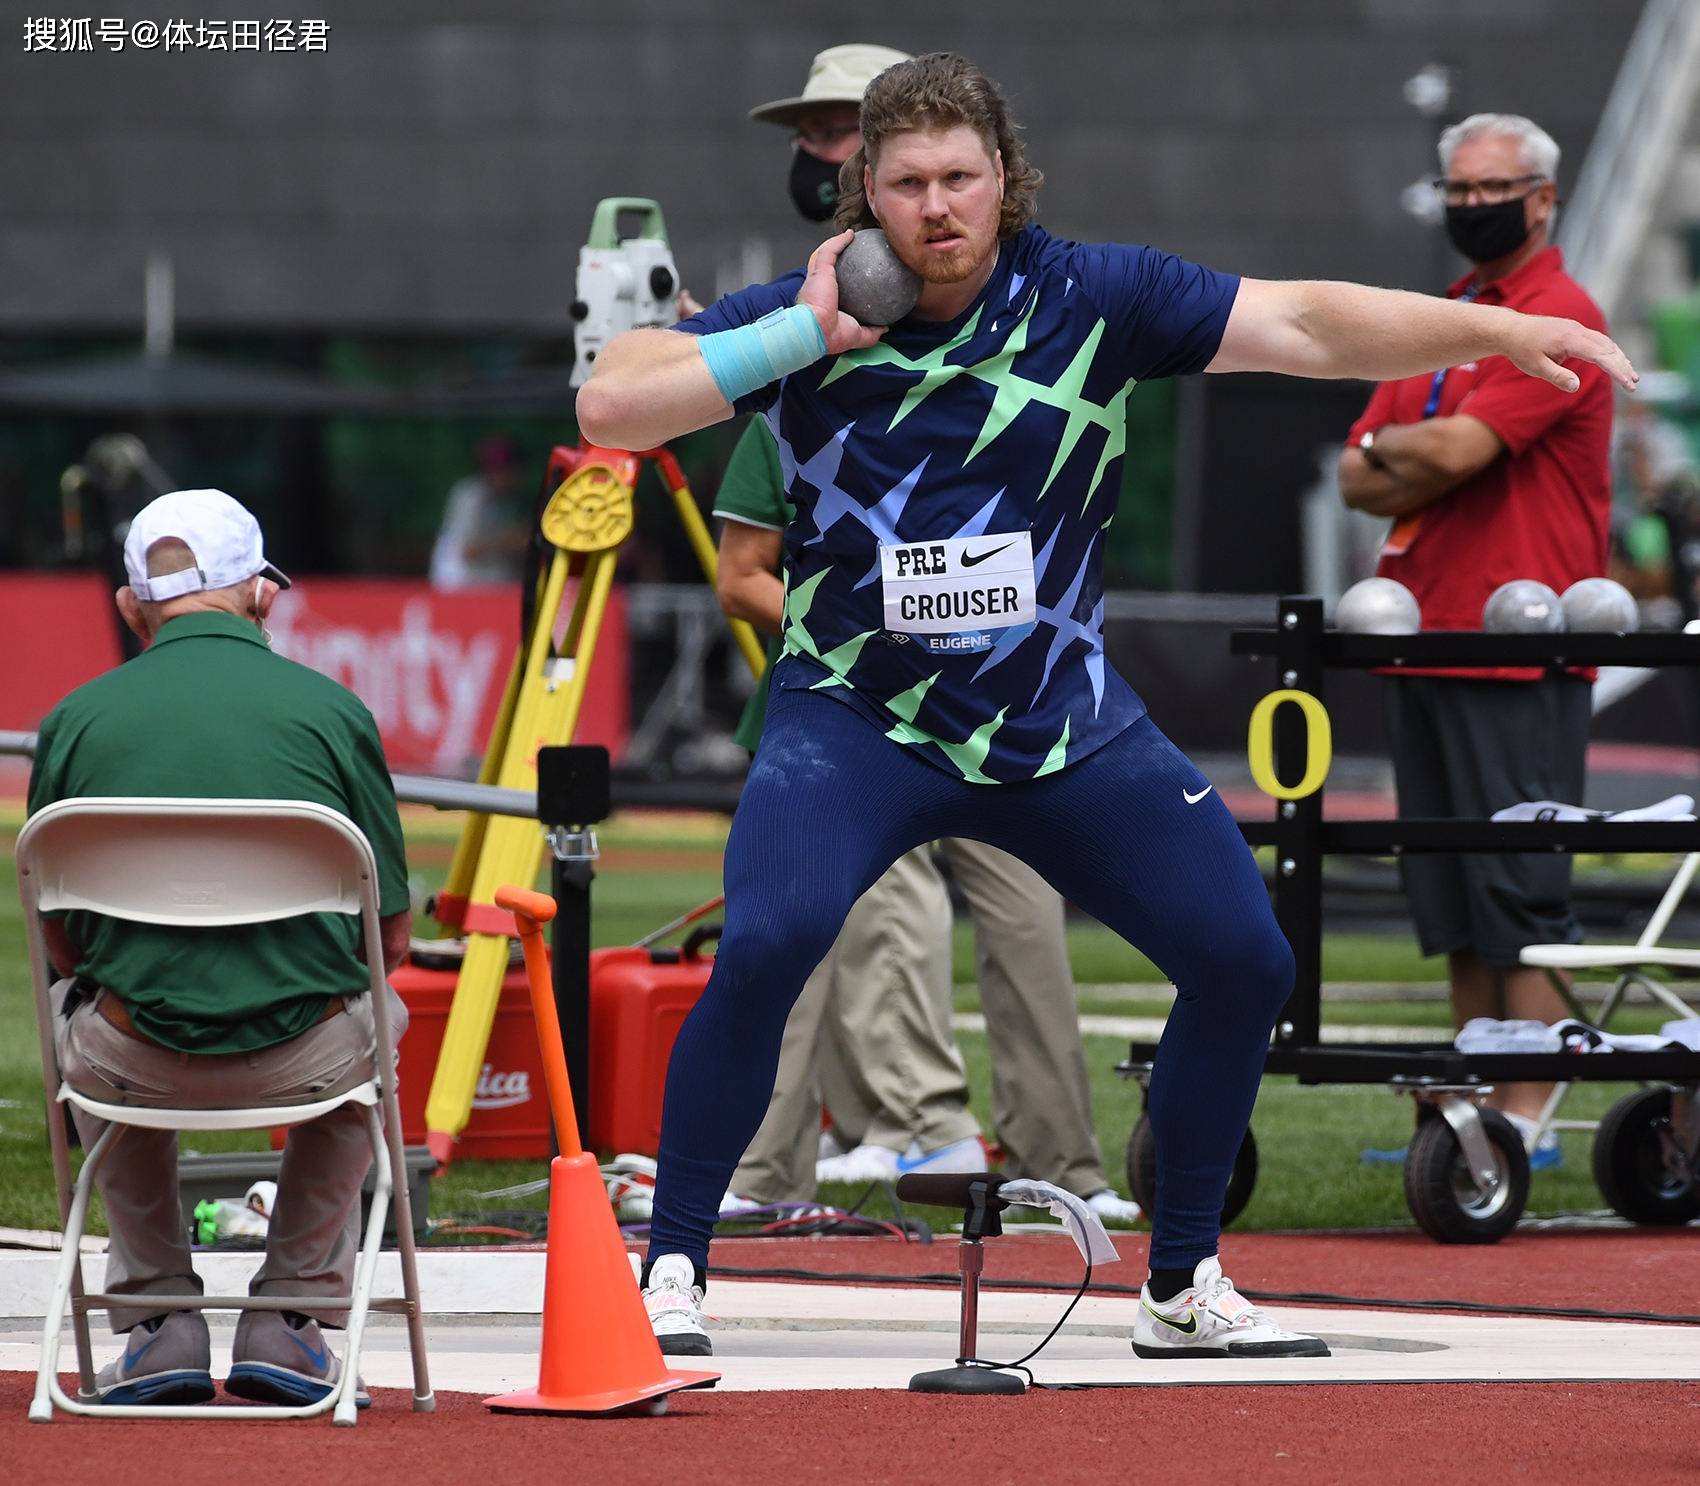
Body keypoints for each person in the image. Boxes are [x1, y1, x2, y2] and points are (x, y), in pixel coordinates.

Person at [577, 53, 1634, 1359]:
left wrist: (1501, 330)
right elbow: (611, 399)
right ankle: (671, 1262)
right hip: (855, 717)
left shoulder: (1091, 294)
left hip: (1055, 725)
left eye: (962, 177)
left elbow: (1306, 325)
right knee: (771, 941)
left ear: (1005, 178)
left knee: (1247, 959)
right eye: (906, 184)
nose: (938, 207)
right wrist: (808, 332)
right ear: (867, 197)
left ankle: (1182, 1282)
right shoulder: (801, 314)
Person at [721, 44, 1137, 1219]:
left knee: (1017, 914)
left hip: (1003, 697)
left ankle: (1054, 1168)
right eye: (811, 144)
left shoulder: (1034, 326)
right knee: (803, 924)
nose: (815, 162)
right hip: (857, 706)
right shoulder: (805, 351)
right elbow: (731, 550)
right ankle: (797, 1162)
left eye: (830, 138)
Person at [27, 488, 413, 1407]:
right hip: (310, 1064)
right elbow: (386, 938)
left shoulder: (74, 720)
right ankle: (292, 1317)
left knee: (70, 1012)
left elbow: (62, 947)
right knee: (381, 1009)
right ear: (263, 596)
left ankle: (158, 1322)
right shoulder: (333, 711)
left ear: (132, 608)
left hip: (128, 1064)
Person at [1339, 114, 1616, 1169]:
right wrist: (1401, 453)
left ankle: (1528, 1113)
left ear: (1540, 198)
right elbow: (1354, 472)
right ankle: (1467, 1109)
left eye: (1488, 189)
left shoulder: (1560, 317)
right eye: (1454, 192)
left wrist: (1402, 449)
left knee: (1517, 888)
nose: (1469, 208)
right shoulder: (1445, 315)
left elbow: (1450, 447)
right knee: (1447, 894)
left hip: (1519, 645)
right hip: (1422, 633)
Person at [429, 434, 528, 589]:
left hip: (494, 586)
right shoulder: (470, 496)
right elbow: (468, 551)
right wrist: (509, 540)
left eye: (507, 469)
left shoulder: (508, 500)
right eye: (496, 469)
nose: (503, 476)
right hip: (462, 587)